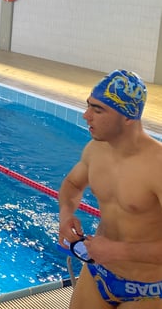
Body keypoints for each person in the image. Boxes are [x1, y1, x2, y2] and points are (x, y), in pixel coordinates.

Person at [58, 69, 162, 308]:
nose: (86, 116)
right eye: (88, 106)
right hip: (99, 272)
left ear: (128, 117)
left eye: (98, 110)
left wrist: (119, 251)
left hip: (148, 289)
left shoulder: (157, 166)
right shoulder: (96, 150)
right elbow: (72, 184)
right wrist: (65, 215)